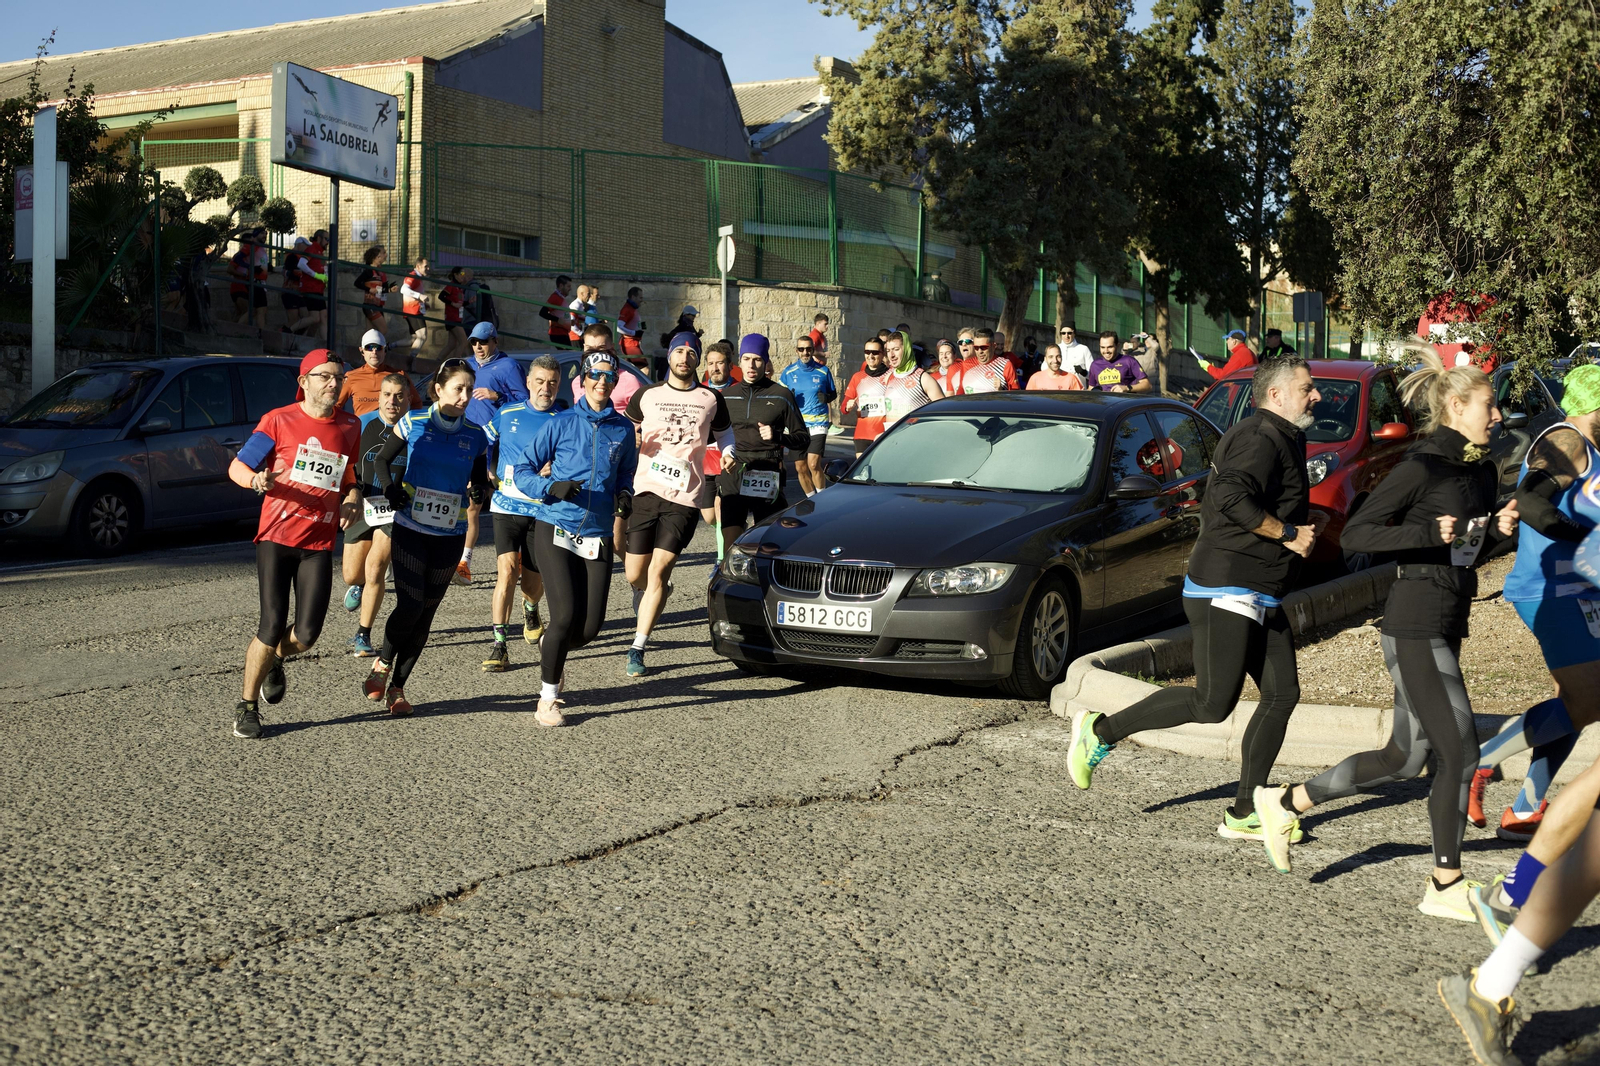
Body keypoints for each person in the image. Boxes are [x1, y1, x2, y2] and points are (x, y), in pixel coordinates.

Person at [1253, 350, 1519, 923]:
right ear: (1456, 406)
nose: (1497, 415)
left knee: (1404, 758)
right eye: (1488, 404)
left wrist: (1495, 530)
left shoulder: (1480, 469)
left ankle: (1286, 802)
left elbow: (1463, 553)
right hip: (1414, 620)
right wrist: (1429, 529)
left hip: (1449, 616)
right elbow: (1361, 535)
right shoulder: (1421, 466)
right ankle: (1445, 882)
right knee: (1460, 750)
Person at [1066, 356, 1320, 841]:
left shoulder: (1282, 436)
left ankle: (1246, 809)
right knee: (1211, 703)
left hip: (1257, 587)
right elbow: (1227, 497)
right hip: (1228, 587)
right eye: (1307, 388)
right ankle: (1098, 732)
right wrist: (1287, 533)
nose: (1316, 396)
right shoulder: (1258, 437)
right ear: (1276, 395)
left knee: (1282, 693)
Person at [225, 350, 362, 739]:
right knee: (270, 625)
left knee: (305, 635)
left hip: (318, 542)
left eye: (338, 377)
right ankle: (247, 707)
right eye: (325, 377)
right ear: (304, 382)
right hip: (276, 537)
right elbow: (238, 466)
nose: (333, 384)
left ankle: (275, 660)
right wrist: (255, 481)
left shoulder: (350, 425)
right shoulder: (278, 419)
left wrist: (352, 496)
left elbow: (349, 475)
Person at [512, 352, 640, 725]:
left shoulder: (621, 429)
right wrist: (552, 486)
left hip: (597, 532)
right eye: (595, 376)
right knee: (564, 614)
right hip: (556, 525)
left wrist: (625, 494)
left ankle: (552, 652)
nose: (602, 382)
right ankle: (547, 699)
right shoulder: (562, 423)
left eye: (609, 377)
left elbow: (626, 474)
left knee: (589, 628)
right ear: (583, 380)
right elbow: (522, 471)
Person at [361, 360, 491, 715]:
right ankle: (383, 664)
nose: (465, 397)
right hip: (410, 528)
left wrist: (481, 490)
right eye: (457, 389)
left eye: (469, 389)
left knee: (427, 615)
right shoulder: (413, 421)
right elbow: (381, 463)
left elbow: (481, 479)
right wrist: (390, 490)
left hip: (450, 533)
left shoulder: (476, 435)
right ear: (438, 389)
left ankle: (397, 690)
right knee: (411, 604)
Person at [622, 331, 735, 677]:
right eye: (679, 351)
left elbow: (725, 434)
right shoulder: (647, 395)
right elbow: (629, 426)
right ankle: (660, 589)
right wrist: (632, 441)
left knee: (657, 571)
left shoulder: (711, 398)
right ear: (669, 356)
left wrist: (728, 452)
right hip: (646, 490)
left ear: (697, 359)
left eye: (691, 352)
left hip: (685, 496)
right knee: (634, 573)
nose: (684, 357)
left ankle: (637, 647)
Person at [480, 355, 563, 672]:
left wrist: (556, 466)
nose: (546, 388)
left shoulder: (563, 419)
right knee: (506, 572)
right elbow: (484, 441)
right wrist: (487, 470)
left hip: (541, 510)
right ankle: (499, 645)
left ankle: (531, 607)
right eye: (540, 381)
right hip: (505, 506)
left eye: (552, 382)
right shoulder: (508, 412)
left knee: (532, 583)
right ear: (528, 383)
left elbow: (574, 460)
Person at [341, 372, 412, 657]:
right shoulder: (363, 424)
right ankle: (357, 585)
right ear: (379, 396)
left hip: (395, 510)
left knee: (376, 569)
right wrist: (351, 492)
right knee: (351, 574)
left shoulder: (415, 429)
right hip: (363, 503)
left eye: (398, 395)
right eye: (387, 394)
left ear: (408, 398)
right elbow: (346, 463)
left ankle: (363, 634)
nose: (392, 401)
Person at [455, 321, 530, 586]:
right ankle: (464, 561)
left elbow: (525, 403)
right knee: (471, 504)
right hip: (469, 442)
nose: (478, 347)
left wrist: (496, 395)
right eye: (474, 342)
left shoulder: (508, 367)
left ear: (495, 342)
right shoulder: (465, 365)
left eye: (483, 342)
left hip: (500, 445)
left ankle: (520, 556)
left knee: (508, 505)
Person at [719, 333, 809, 552]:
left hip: (767, 470)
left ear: (765, 361)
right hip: (734, 470)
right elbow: (715, 434)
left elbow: (803, 438)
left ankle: (765, 579)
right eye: (747, 358)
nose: (751, 364)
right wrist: (725, 453)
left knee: (767, 540)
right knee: (731, 536)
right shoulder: (726, 396)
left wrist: (778, 437)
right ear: (739, 361)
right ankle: (733, 577)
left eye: (757, 359)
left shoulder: (781, 395)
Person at [778, 333, 838, 497]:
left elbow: (833, 394)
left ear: (813, 350)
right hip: (797, 425)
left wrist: (826, 398)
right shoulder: (789, 372)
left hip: (818, 423)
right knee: (800, 467)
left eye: (808, 349)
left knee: (813, 464)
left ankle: (822, 499)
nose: (805, 353)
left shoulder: (823, 371)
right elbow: (779, 396)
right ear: (796, 351)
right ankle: (812, 499)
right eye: (801, 349)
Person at [339, 329, 422, 417]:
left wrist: (409, 423)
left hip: (393, 429)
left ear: (385, 350)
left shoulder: (400, 375)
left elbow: (416, 403)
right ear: (362, 350)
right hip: (363, 429)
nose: (374, 352)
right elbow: (336, 405)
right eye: (369, 348)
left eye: (378, 348)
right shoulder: (351, 377)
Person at [843, 336, 893, 457]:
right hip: (862, 434)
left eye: (875, 352)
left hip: (884, 433)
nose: (870, 356)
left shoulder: (891, 376)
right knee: (863, 473)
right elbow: (843, 407)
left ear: (882, 354)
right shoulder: (858, 377)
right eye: (867, 352)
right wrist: (848, 406)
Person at [881, 329, 943, 427]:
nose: (891, 355)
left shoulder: (923, 378)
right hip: (892, 438)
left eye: (896, 349)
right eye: (888, 350)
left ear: (907, 349)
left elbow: (943, 412)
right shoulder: (889, 377)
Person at [956, 328, 1019, 393]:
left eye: (984, 347)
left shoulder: (1005, 365)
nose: (980, 351)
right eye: (976, 347)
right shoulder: (966, 364)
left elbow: (1015, 395)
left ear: (993, 346)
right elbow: (961, 391)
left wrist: (1001, 391)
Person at [1087, 330, 1152, 393]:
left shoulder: (1129, 361)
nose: (1106, 351)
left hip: (1124, 403)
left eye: (1110, 347)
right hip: (1104, 403)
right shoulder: (1095, 364)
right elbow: (1091, 388)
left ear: (1117, 346)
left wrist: (1126, 388)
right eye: (1102, 347)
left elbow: (1147, 385)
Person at [228, 232, 268, 329]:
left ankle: (230, 330)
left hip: (248, 287)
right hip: (239, 288)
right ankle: (233, 330)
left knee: (242, 313)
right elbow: (229, 269)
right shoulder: (240, 255)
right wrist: (243, 275)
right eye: (249, 242)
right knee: (249, 311)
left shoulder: (255, 255)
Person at [295, 230, 330, 340]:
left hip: (318, 289)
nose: (327, 242)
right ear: (319, 238)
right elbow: (301, 264)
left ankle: (326, 344)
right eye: (326, 239)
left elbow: (323, 269)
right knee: (315, 318)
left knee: (323, 317)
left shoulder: (321, 253)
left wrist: (326, 279)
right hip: (310, 289)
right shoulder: (311, 249)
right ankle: (289, 329)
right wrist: (316, 275)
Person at [355, 245, 395, 335]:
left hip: (377, 305)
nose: (382, 258)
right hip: (370, 305)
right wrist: (369, 289)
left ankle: (365, 348)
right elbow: (357, 283)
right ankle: (375, 347)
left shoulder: (378, 271)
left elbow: (379, 290)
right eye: (379, 256)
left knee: (369, 332)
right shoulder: (369, 271)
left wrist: (390, 290)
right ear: (374, 258)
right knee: (383, 330)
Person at [656, 305, 702, 380]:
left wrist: (698, 335)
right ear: (686, 315)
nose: (694, 317)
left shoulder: (688, 326)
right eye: (692, 315)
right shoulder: (684, 327)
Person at [400, 257, 429, 369]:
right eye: (425, 266)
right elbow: (403, 289)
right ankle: (410, 361)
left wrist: (423, 302)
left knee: (413, 339)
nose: (428, 268)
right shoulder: (413, 275)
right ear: (418, 266)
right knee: (422, 336)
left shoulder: (419, 277)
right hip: (413, 311)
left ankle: (389, 346)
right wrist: (419, 296)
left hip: (415, 310)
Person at [278, 236, 307, 341]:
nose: (307, 248)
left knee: (307, 319)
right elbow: (289, 273)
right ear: (299, 245)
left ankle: (295, 339)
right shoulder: (292, 256)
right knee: (293, 320)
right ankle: (280, 336)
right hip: (290, 291)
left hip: (299, 292)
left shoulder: (302, 257)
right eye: (305, 245)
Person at [542, 275, 574, 348]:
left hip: (563, 332)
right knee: (568, 355)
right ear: (561, 285)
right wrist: (557, 320)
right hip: (558, 333)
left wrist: (569, 321)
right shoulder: (555, 297)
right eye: (568, 286)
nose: (570, 289)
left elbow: (561, 314)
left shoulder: (561, 298)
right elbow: (543, 312)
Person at [617, 286, 646, 366]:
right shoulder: (627, 309)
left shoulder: (633, 309)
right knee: (644, 368)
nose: (641, 300)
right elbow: (618, 327)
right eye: (640, 297)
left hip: (634, 343)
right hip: (629, 344)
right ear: (633, 297)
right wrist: (634, 333)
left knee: (632, 369)